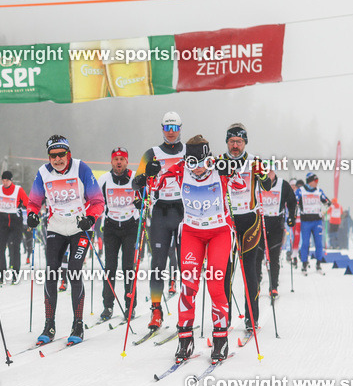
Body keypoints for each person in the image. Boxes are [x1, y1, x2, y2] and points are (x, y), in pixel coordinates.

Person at [154, 135, 247, 364]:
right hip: (191, 233)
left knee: (216, 284)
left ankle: (220, 338)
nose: (196, 169)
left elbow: (241, 186)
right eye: (191, 163)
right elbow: (155, 184)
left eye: (201, 163)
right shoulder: (179, 169)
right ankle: (185, 339)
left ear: (209, 158)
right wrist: (148, 174)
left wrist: (232, 171)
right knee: (188, 286)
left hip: (219, 232)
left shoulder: (219, 167)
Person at [27, 135, 105, 345]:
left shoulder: (81, 168)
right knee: (51, 271)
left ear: (68, 154)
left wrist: (90, 218)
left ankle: (77, 324)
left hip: (80, 227)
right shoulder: (43, 173)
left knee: (74, 269)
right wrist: (32, 214)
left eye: (62, 154)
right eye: (53, 155)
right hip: (56, 227)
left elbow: (97, 200)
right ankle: (49, 324)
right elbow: (33, 201)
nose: (58, 159)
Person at [214, 124, 271, 335]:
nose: (235, 145)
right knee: (225, 272)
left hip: (250, 221)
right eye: (231, 142)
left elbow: (268, 187)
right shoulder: (219, 162)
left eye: (239, 142)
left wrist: (263, 176)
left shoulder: (255, 161)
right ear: (227, 143)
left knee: (250, 272)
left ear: (245, 142)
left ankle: (251, 318)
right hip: (227, 222)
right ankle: (224, 317)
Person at [133, 111, 185, 330]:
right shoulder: (151, 153)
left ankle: (187, 311)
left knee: (187, 264)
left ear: (180, 129)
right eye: (167, 128)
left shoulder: (189, 151)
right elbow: (136, 184)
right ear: (162, 129)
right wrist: (147, 176)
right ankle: (156, 311)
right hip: (161, 211)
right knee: (157, 265)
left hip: (184, 210)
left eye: (174, 128)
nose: (171, 133)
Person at [97, 147, 141, 320]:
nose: (119, 162)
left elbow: (147, 197)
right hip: (111, 226)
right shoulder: (104, 179)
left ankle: (130, 306)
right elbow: (96, 201)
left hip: (131, 225)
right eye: (116, 159)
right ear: (111, 161)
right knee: (110, 267)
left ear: (127, 161)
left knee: (128, 267)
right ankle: (108, 306)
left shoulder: (135, 177)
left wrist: (141, 201)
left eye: (122, 159)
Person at [258, 168, 296, 298]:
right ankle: (256, 283)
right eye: (265, 172)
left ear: (274, 173)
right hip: (258, 225)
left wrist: (291, 217)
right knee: (257, 256)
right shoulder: (256, 183)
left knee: (274, 257)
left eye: (270, 172)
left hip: (276, 225)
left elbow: (292, 202)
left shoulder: (282, 184)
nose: (268, 175)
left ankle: (273, 286)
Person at [0, 170, 28, 284]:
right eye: (3, 180)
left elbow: (27, 202)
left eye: (7, 180)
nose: (5, 182)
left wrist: (31, 213)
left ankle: (15, 274)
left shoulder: (18, 190)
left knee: (15, 248)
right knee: (1, 248)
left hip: (16, 223)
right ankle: (1, 274)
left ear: (11, 180)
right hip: (3, 223)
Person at [295, 173, 330, 273]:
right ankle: (304, 264)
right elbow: (294, 202)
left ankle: (319, 263)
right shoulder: (300, 191)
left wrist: (325, 208)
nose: (317, 183)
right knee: (305, 243)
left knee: (319, 243)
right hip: (306, 221)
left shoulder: (319, 191)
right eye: (316, 181)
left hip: (317, 221)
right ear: (310, 181)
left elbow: (327, 202)